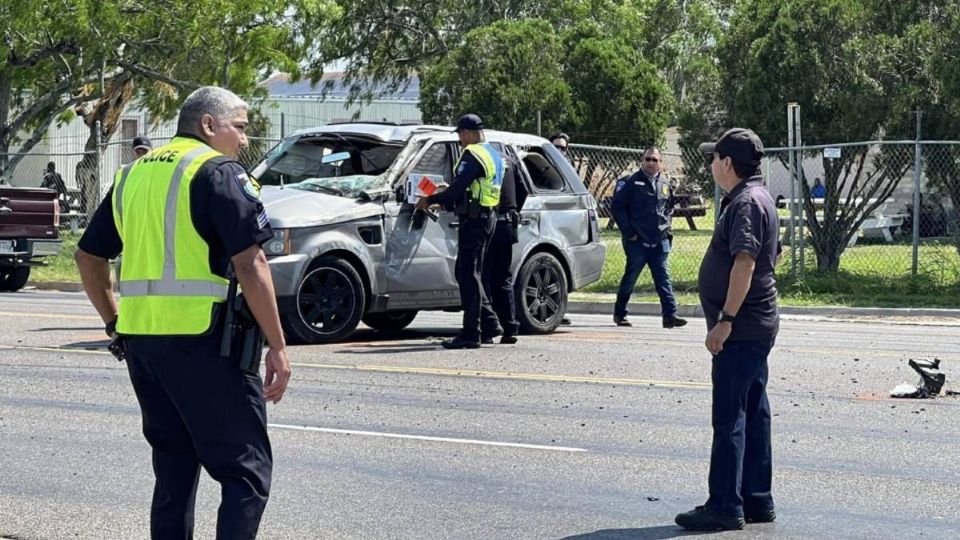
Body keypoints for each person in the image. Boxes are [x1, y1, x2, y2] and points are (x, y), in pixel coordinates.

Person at [74, 86, 291, 539]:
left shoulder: (132, 175)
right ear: (209, 125)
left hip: (143, 347)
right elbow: (251, 262)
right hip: (206, 343)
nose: (245, 140)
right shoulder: (217, 171)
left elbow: (88, 258)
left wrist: (114, 321)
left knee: (173, 470)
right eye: (240, 127)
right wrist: (277, 344)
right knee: (245, 473)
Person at [675, 128, 780, 531]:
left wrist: (726, 320)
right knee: (754, 411)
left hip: (743, 327)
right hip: (757, 322)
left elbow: (745, 262)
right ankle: (756, 500)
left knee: (730, 416)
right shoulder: (757, 197)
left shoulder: (746, 203)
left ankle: (724, 505)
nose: (712, 164)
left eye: (714, 157)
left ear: (728, 164)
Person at [417, 113, 503, 349]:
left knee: (467, 274)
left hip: (475, 221)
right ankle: (489, 323)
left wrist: (430, 199)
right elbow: (472, 187)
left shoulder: (472, 154)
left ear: (467, 133)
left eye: (461, 135)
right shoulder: (493, 153)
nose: (460, 139)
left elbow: (456, 191)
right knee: (472, 272)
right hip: (488, 216)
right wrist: (447, 196)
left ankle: (470, 333)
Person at [610, 147, 687, 329]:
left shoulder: (665, 183)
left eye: (655, 159)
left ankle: (670, 315)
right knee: (631, 277)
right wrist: (629, 232)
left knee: (663, 277)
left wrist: (666, 228)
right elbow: (618, 207)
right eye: (648, 159)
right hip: (637, 241)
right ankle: (620, 313)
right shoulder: (629, 182)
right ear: (642, 161)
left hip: (659, 240)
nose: (651, 163)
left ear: (661, 162)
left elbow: (668, 207)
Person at [480, 150, 527, 345]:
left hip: (489, 223)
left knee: (484, 277)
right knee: (503, 277)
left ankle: (488, 330)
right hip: (508, 224)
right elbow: (523, 190)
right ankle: (510, 328)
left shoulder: (480, 159)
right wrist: (513, 210)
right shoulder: (509, 160)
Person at [548, 132, 574, 326]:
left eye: (562, 148)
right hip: (546, 223)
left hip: (563, 225)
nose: (559, 151)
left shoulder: (568, 170)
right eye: (555, 147)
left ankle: (558, 311)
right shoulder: (541, 167)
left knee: (561, 270)